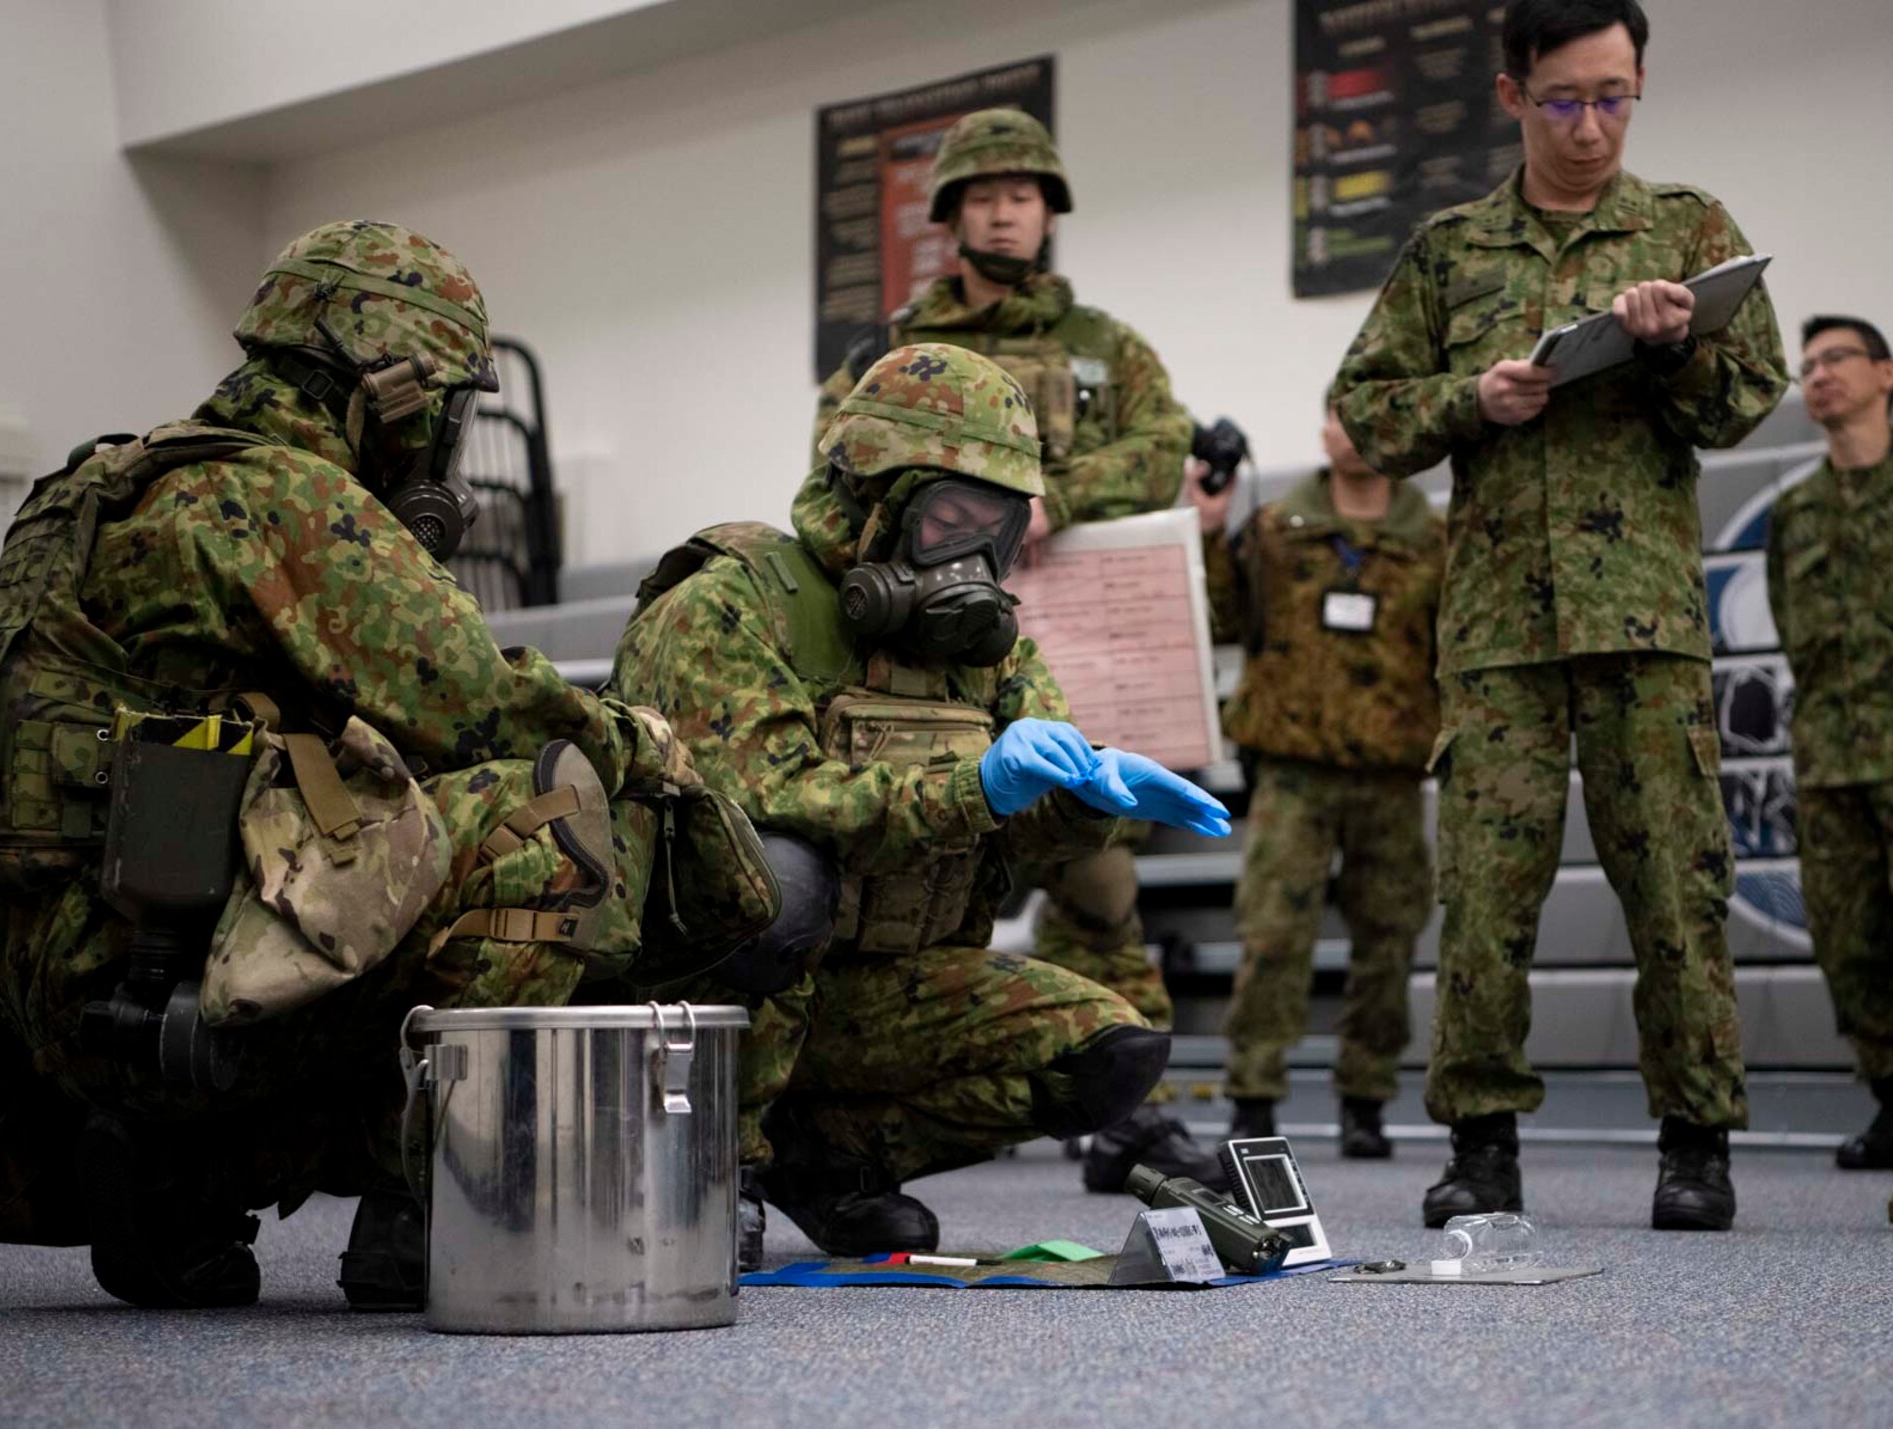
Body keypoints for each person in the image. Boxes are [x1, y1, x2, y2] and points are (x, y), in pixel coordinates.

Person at [0, 221, 764, 1311]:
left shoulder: (94, 486)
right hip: (172, 976)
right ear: (392, 391)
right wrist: (648, 741)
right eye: (451, 417)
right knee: (546, 806)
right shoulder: (284, 499)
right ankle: (431, 1206)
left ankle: (175, 1183)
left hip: (45, 980)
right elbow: (477, 704)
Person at [616, 343, 1234, 1264]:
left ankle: (827, 1161)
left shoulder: (989, 649)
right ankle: (713, 1164)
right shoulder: (735, 603)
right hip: (708, 1000)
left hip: (874, 993)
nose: (976, 558)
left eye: (1000, 529)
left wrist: (1085, 799)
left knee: (1106, 1053)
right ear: (874, 499)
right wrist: (973, 785)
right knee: (777, 881)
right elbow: (767, 797)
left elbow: (1034, 813)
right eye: (952, 520)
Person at [1331, 0, 1787, 1231]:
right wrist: (1469, 398)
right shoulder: (1447, 249)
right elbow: (1362, 411)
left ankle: (1694, 1144)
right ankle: (1480, 1148)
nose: (1591, 127)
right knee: (1482, 893)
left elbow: (1746, 400)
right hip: (1493, 636)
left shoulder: (1686, 228)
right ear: (1508, 95)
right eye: (1564, 100)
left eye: (1615, 96)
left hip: (1644, 623)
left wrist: (1676, 346)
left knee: (1678, 893)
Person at [813, 106, 1218, 1193]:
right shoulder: (887, 352)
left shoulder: (1103, 346)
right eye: (983, 194)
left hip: (1074, 624)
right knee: (904, 874)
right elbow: (831, 462)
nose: (1005, 209)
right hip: (922, 650)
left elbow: (1160, 442)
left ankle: (1126, 1105)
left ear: (1048, 211)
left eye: (1023, 192)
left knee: (1101, 873)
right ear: (949, 216)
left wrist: (1050, 495)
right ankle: (841, 1120)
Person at [1188, 403, 1445, 1158]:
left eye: (1374, 412)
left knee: (1389, 937)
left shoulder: (1433, 536)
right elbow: (1224, 617)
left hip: (1391, 769)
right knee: (1271, 935)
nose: (1356, 428)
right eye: (1341, 413)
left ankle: (1365, 1098)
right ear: (1323, 431)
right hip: (1293, 769)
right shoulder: (1274, 527)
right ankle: (1253, 1096)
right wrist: (1208, 527)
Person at [1766, 315, 1893, 1171]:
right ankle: (1891, 1096)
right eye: (1807, 365)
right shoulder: (1796, 511)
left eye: (1838, 358)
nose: (1819, 375)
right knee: (1850, 942)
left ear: (1886, 373)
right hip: (1831, 758)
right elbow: (1786, 622)